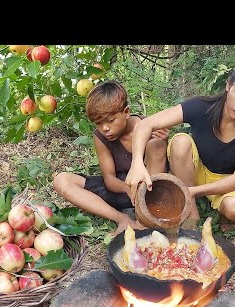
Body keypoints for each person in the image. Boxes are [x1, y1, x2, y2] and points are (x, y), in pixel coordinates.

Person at [125, 57, 235, 229]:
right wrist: (136, 163)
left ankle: (223, 217)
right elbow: (146, 124)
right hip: (196, 171)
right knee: (180, 141)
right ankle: (192, 213)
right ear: (228, 85)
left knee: (234, 209)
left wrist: (192, 192)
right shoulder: (202, 106)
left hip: (228, 179)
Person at [53, 80, 169, 236]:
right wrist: (128, 189)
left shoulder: (148, 126)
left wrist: (164, 141)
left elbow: (160, 166)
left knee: (156, 145)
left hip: (150, 192)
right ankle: (122, 218)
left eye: (111, 120)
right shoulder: (101, 136)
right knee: (62, 180)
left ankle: (144, 221)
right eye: (99, 123)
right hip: (122, 190)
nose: (105, 128)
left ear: (126, 112)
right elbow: (109, 179)